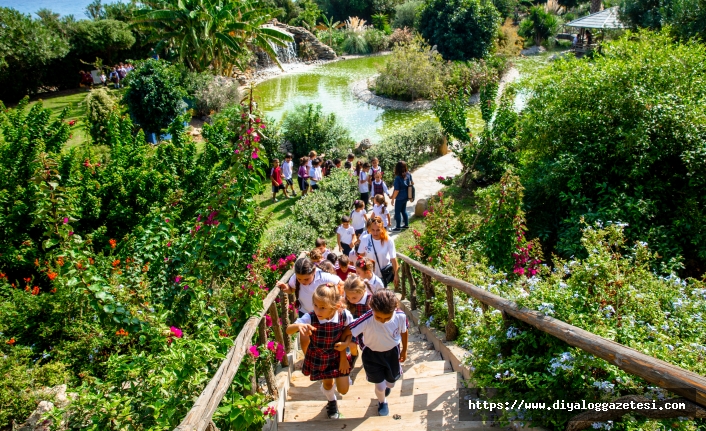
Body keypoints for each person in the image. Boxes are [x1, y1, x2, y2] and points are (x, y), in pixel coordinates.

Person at [286, 283, 353, 419]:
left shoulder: (344, 315)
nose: (318, 311)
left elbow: (351, 330)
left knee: (344, 390)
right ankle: (331, 401)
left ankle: (341, 381)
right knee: (328, 383)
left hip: (337, 355)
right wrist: (299, 326)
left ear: (335, 306)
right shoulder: (310, 317)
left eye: (323, 307)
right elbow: (288, 330)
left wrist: (346, 346)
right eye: (315, 305)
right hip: (320, 357)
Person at [344, 290, 408, 417]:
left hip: (392, 354)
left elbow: (404, 331)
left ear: (395, 309)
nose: (382, 321)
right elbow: (349, 329)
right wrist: (343, 344)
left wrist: (404, 350)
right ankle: (382, 401)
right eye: (378, 317)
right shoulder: (367, 319)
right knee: (380, 387)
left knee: (391, 383)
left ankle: (387, 387)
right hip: (371, 355)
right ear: (371, 308)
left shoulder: (400, 316)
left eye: (387, 318)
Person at [277, 257, 344, 355]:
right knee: (304, 338)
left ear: (314, 272)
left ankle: (332, 356)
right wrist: (286, 288)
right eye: (300, 279)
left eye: (306, 279)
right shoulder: (295, 279)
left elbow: (341, 284)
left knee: (329, 337)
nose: (303, 281)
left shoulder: (324, 277)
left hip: (325, 312)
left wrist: (337, 299)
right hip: (306, 312)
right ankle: (307, 357)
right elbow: (292, 289)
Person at [343, 276, 374, 373]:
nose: (351, 300)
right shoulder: (348, 301)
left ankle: (371, 362)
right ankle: (354, 355)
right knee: (351, 344)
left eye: (354, 297)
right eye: (348, 297)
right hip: (353, 327)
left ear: (363, 291)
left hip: (368, 330)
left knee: (367, 348)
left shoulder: (371, 302)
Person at [357, 216, 398, 288]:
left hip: (383, 275)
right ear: (369, 229)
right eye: (373, 230)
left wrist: (396, 275)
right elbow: (361, 257)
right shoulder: (365, 239)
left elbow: (393, 258)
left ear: (382, 229)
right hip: (369, 275)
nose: (375, 233)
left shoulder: (388, 240)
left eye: (378, 230)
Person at [390, 161, 413, 232]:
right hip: (406, 196)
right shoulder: (408, 174)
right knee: (403, 211)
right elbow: (412, 183)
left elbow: (397, 190)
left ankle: (397, 227)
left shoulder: (398, 178)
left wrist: (393, 199)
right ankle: (406, 225)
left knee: (397, 212)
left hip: (399, 198)